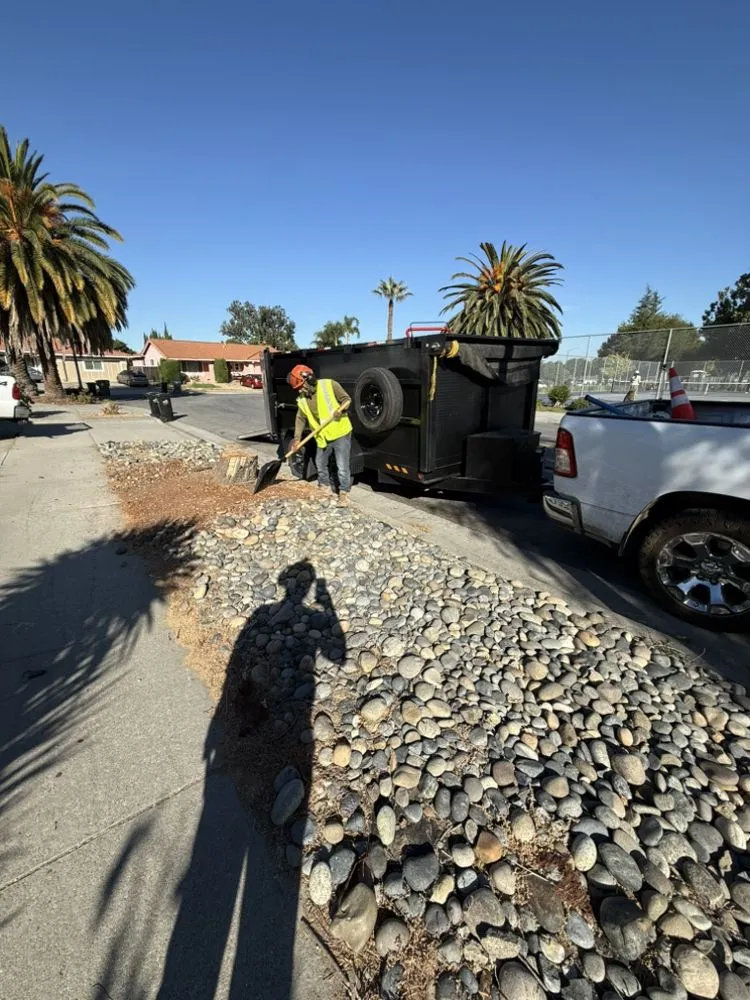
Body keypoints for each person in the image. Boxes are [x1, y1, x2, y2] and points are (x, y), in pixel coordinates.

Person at [287, 363, 353, 505]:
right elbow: (300, 418)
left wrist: (340, 410)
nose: (300, 391)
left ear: (310, 379)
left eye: (301, 387)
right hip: (322, 436)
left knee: (342, 467)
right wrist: (297, 439)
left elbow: (347, 399)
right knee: (320, 463)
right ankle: (324, 487)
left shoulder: (330, 385)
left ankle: (344, 493)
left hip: (340, 432)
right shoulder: (302, 399)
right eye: (298, 389)